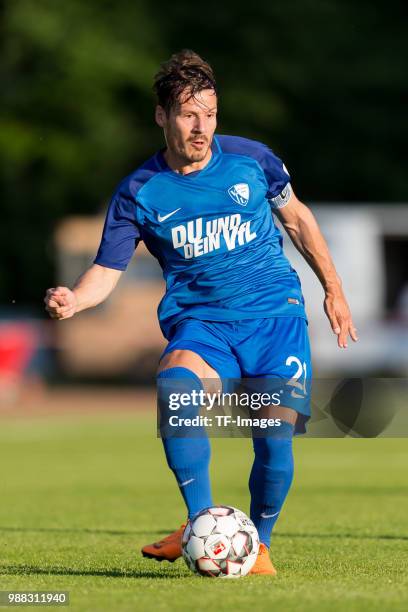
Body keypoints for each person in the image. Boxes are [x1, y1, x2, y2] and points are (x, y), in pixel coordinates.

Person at [44, 50, 357, 575]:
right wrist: (75, 299)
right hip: (203, 324)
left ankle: (259, 545)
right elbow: (106, 271)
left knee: (274, 444)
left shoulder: (251, 161)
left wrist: (334, 288)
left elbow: (299, 221)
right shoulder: (140, 191)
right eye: (189, 114)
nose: (201, 127)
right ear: (162, 116)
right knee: (176, 385)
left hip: (274, 319)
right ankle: (200, 525)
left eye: (209, 114)